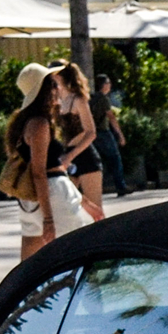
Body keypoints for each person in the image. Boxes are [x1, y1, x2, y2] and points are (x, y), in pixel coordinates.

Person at [3, 63, 79, 259]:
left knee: (29, 264)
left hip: (29, 200)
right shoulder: (40, 124)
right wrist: (48, 219)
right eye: (53, 84)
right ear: (43, 90)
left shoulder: (23, 124)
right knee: (80, 252)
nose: (57, 88)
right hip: (51, 194)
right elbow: (39, 172)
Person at [53, 62, 105, 221]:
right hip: (67, 154)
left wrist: (71, 156)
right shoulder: (59, 99)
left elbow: (91, 133)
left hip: (85, 155)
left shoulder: (78, 99)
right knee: (65, 204)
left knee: (95, 209)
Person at [93, 72, 128, 197]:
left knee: (96, 161)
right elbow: (111, 117)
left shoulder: (91, 97)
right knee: (115, 159)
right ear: (103, 85)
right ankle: (121, 187)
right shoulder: (103, 99)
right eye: (108, 83)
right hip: (103, 132)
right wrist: (120, 135)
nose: (110, 85)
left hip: (92, 134)